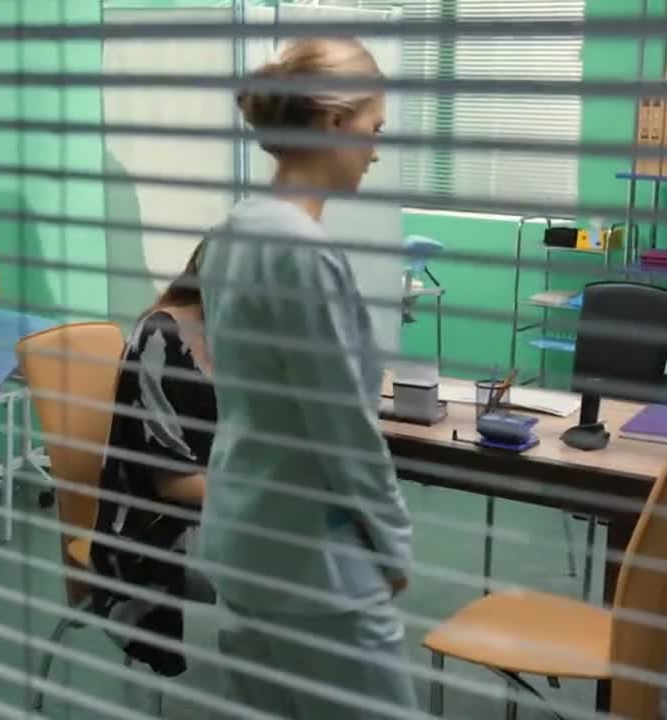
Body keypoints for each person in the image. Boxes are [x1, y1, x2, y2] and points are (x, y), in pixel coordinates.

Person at [196, 38, 416, 717]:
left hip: (244, 542)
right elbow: (343, 429)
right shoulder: (303, 254)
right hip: (316, 570)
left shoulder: (232, 234)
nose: (375, 152)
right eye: (374, 130)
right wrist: (394, 545)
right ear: (334, 122)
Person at [89, 242, 217, 678]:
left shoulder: (238, 334)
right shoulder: (160, 336)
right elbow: (174, 483)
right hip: (157, 526)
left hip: (216, 506)